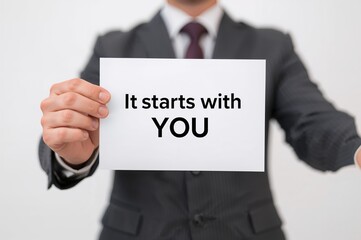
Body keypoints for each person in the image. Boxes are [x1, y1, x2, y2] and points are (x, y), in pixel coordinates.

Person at [39, 0, 361, 239]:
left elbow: (313, 121)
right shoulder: (113, 47)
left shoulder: (272, 46)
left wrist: (355, 146)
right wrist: (72, 154)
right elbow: (71, 127)